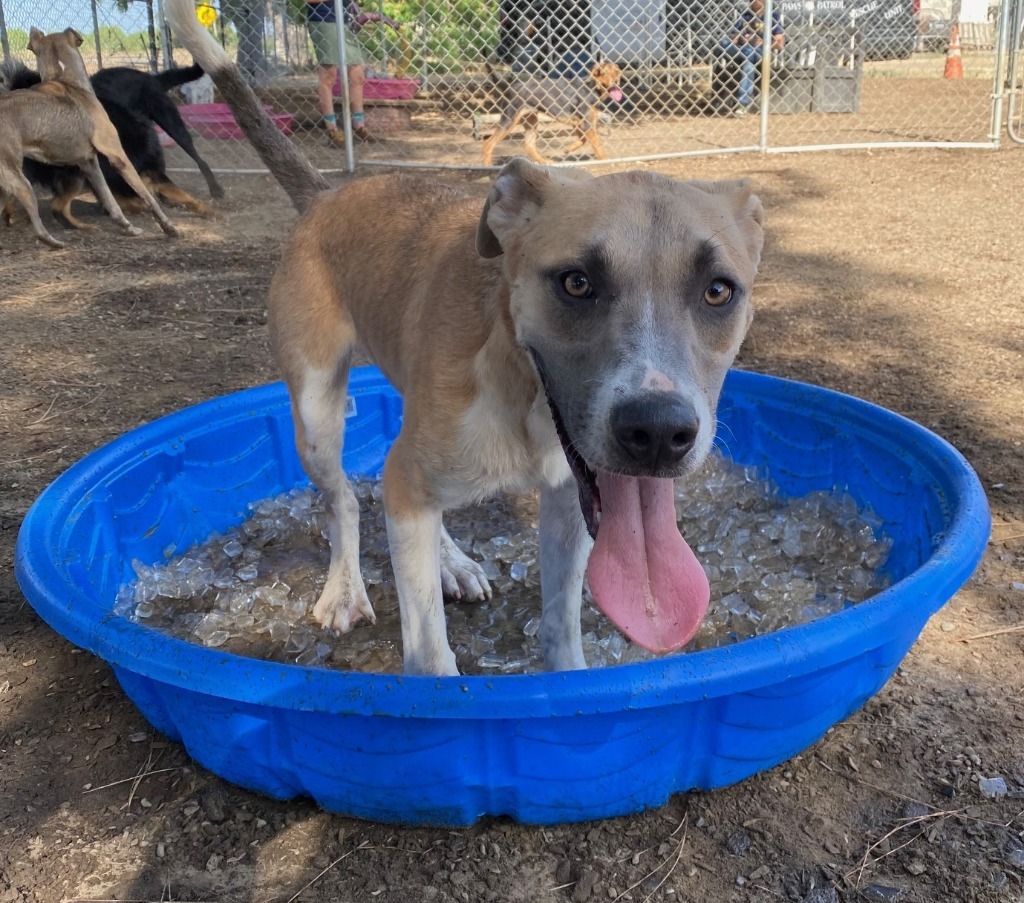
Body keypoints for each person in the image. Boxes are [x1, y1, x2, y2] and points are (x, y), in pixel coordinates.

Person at [305, 0, 379, 145]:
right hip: (324, 20)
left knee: (357, 75)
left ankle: (359, 125)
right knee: (329, 75)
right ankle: (332, 128)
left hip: (345, 21)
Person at [715, 0, 784, 116]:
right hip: (742, 50)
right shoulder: (745, 16)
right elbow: (734, 40)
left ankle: (742, 103)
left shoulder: (773, 16)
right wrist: (743, 39)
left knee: (749, 62)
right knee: (723, 43)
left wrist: (764, 42)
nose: (752, 2)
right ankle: (739, 104)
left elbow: (780, 44)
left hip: (762, 52)